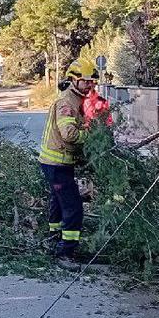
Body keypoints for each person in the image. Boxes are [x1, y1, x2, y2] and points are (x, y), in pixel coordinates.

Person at [38, 58, 113, 263]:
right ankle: (66, 252)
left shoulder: (74, 99)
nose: (90, 85)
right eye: (86, 81)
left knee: (58, 201)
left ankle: (54, 238)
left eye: (92, 82)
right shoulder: (67, 103)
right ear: (74, 80)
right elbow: (69, 134)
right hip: (58, 163)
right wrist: (92, 138)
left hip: (56, 162)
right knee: (73, 207)